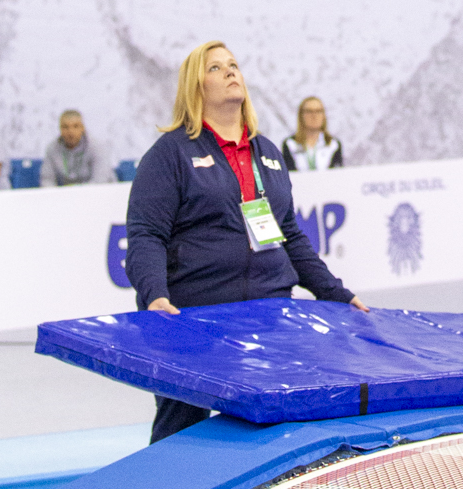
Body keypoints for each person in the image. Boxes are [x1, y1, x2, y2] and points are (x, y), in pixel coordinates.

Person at [126, 41, 369, 444]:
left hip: (269, 311)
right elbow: (147, 234)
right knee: (181, 431)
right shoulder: (169, 154)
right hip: (194, 317)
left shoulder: (268, 154)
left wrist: (335, 293)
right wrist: (154, 296)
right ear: (195, 87)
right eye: (216, 68)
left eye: (233, 65)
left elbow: (288, 233)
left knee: (273, 427)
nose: (229, 72)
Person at [41, 110, 113, 187]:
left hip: (99, 192)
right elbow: (47, 178)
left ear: (83, 128)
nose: (70, 132)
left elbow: (100, 180)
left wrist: (79, 194)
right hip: (68, 195)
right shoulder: (52, 149)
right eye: (65, 127)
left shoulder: (97, 147)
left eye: (75, 126)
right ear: (60, 129)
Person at [282, 96, 344, 172]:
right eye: (309, 111)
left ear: (323, 116)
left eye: (318, 111)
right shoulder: (290, 144)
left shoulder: (333, 144)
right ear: (301, 115)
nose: (314, 116)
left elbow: (337, 174)